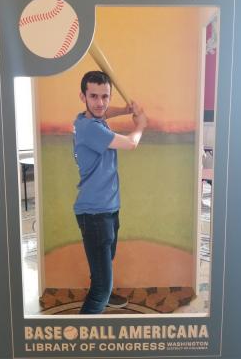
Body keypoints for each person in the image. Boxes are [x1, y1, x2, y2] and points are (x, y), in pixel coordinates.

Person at [73, 70, 146, 314]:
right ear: (83, 96)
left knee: (104, 261)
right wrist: (141, 124)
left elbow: (105, 111)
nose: (101, 102)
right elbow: (131, 143)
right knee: (101, 288)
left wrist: (124, 110)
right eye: (93, 96)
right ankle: (81, 341)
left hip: (107, 208)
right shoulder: (90, 129)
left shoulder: (86, 119)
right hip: (95, 214)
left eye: (105, 96)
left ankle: (104, 286)